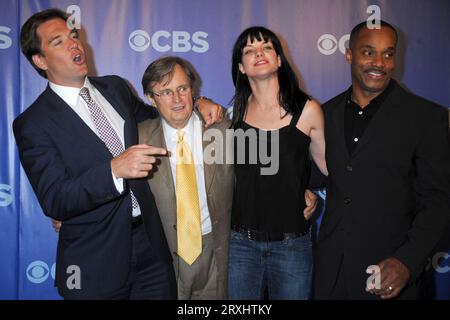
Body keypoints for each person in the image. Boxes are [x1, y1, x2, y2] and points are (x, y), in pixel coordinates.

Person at [13, 8, 222, 299]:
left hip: (153, 249)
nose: (74, 43)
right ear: (40, 60)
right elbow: (55, 198)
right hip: (94, 262)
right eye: (58, 41)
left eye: (73, 36)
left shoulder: (115, 87)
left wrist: (198, 102)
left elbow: (160, 117)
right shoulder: (33, 123)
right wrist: (113, 170)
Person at [313, 20, 450, 300]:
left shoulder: (426, 118)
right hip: (331, 275)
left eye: (388, 54)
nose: (380, 62)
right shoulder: (324, 114)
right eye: (368, 52)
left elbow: (439, 202)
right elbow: (314, 174)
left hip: (390, 275)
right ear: (349, 54)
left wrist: (407, 262)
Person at [228, 26, 328, 300]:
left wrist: (306, 188)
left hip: (292, 246)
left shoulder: (308, 111)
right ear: (241, 67)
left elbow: (327, 168)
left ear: (280, 59)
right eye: (249, 50)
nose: (259, 53)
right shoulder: (233, 115)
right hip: (240, 245)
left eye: (266, 47)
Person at [138, 56, 234, 299]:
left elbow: (255, 175)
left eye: (182, 88)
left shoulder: (221, 128)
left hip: (217, 251)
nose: (177, 99)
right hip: (165, 256)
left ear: (193, 90)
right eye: (166, 92)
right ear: (151, 98)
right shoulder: (138, 138)